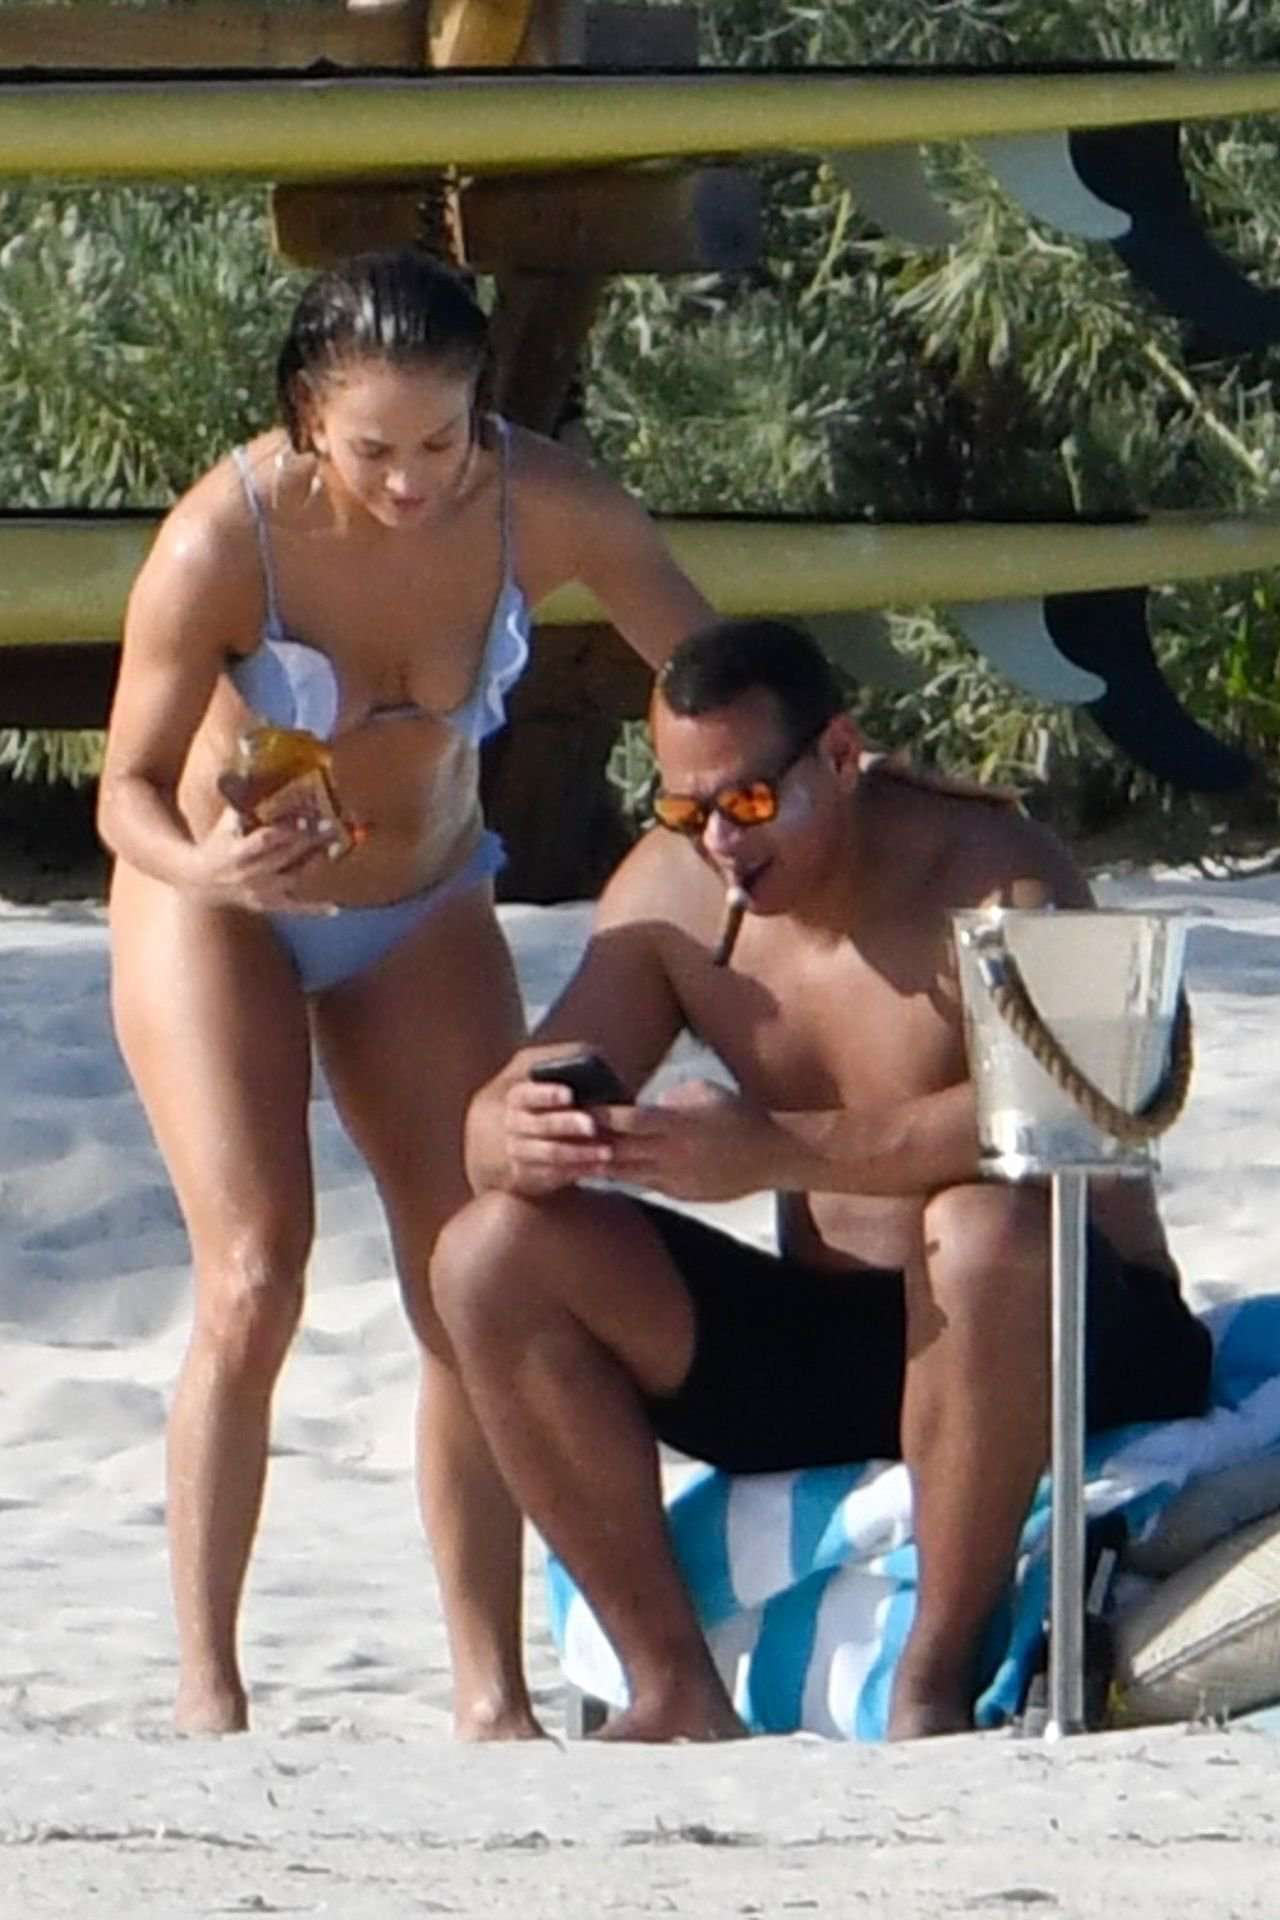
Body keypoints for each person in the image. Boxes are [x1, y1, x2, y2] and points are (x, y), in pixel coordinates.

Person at [97, 248, 713, 1738]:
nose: (414, 481)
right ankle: (208, 1693)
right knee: (256, 1273)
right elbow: (123, 792)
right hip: (221, 906)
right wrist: (208, 866)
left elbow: (721, 679)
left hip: (420, 903)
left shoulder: (542, 503)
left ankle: (491, 1697)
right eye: (375, 449)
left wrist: (791, 800)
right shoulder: (223, 539)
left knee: (471, 1277)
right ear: (308, 415)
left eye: (443, 440)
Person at [431, 616, 1213, 1743]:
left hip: (1061, 1327)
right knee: (488, 1253)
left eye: (748, 802)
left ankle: (932, 1684)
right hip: (837, 1344)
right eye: (683, 810)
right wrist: (513, 1130)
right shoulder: (670, 898)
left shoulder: (995, 868)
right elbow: (497, 1116)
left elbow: (1072, 1114)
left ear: (838, 755)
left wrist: (775, 1152)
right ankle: (671, 1687)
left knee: (980, 1229)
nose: (719, 841)